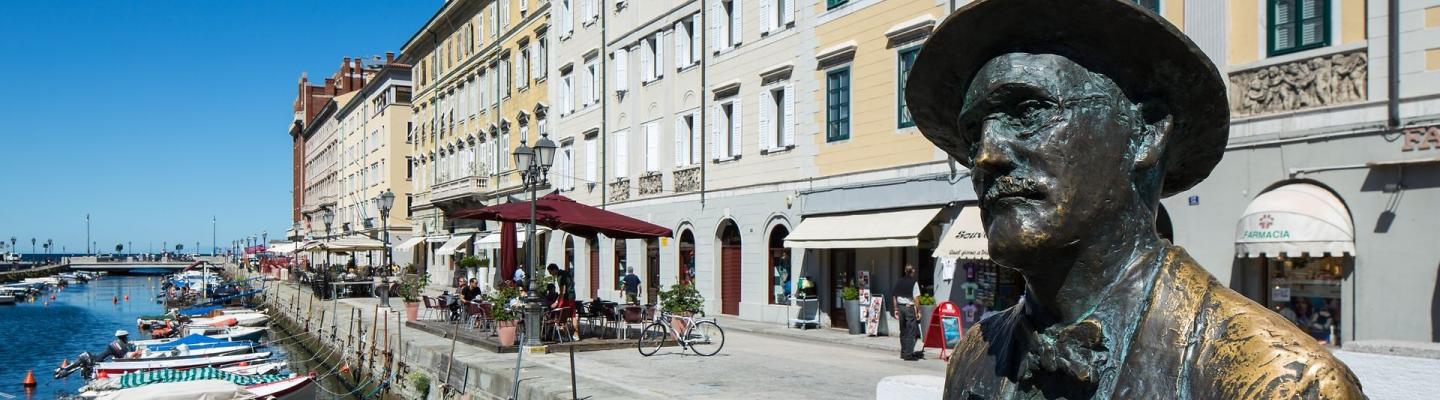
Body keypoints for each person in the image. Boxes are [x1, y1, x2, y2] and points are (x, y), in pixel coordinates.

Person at [905, 0, 1362, 397]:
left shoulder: (1278, 382)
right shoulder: (975, 353)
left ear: (1147, 134)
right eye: (972, 134)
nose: (986, 155)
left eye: (1028, 111)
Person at [891, 265, 921, 361]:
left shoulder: (899, 281)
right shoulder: (913, 282)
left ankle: (903, 352)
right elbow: (916, 298)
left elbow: (894, 296)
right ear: (913, 271)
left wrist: (896, 309)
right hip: (909, 307)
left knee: (902, 330)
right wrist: (918, 310)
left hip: (900, 307)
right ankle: (909, 354)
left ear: (905, 271)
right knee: (910, 331)